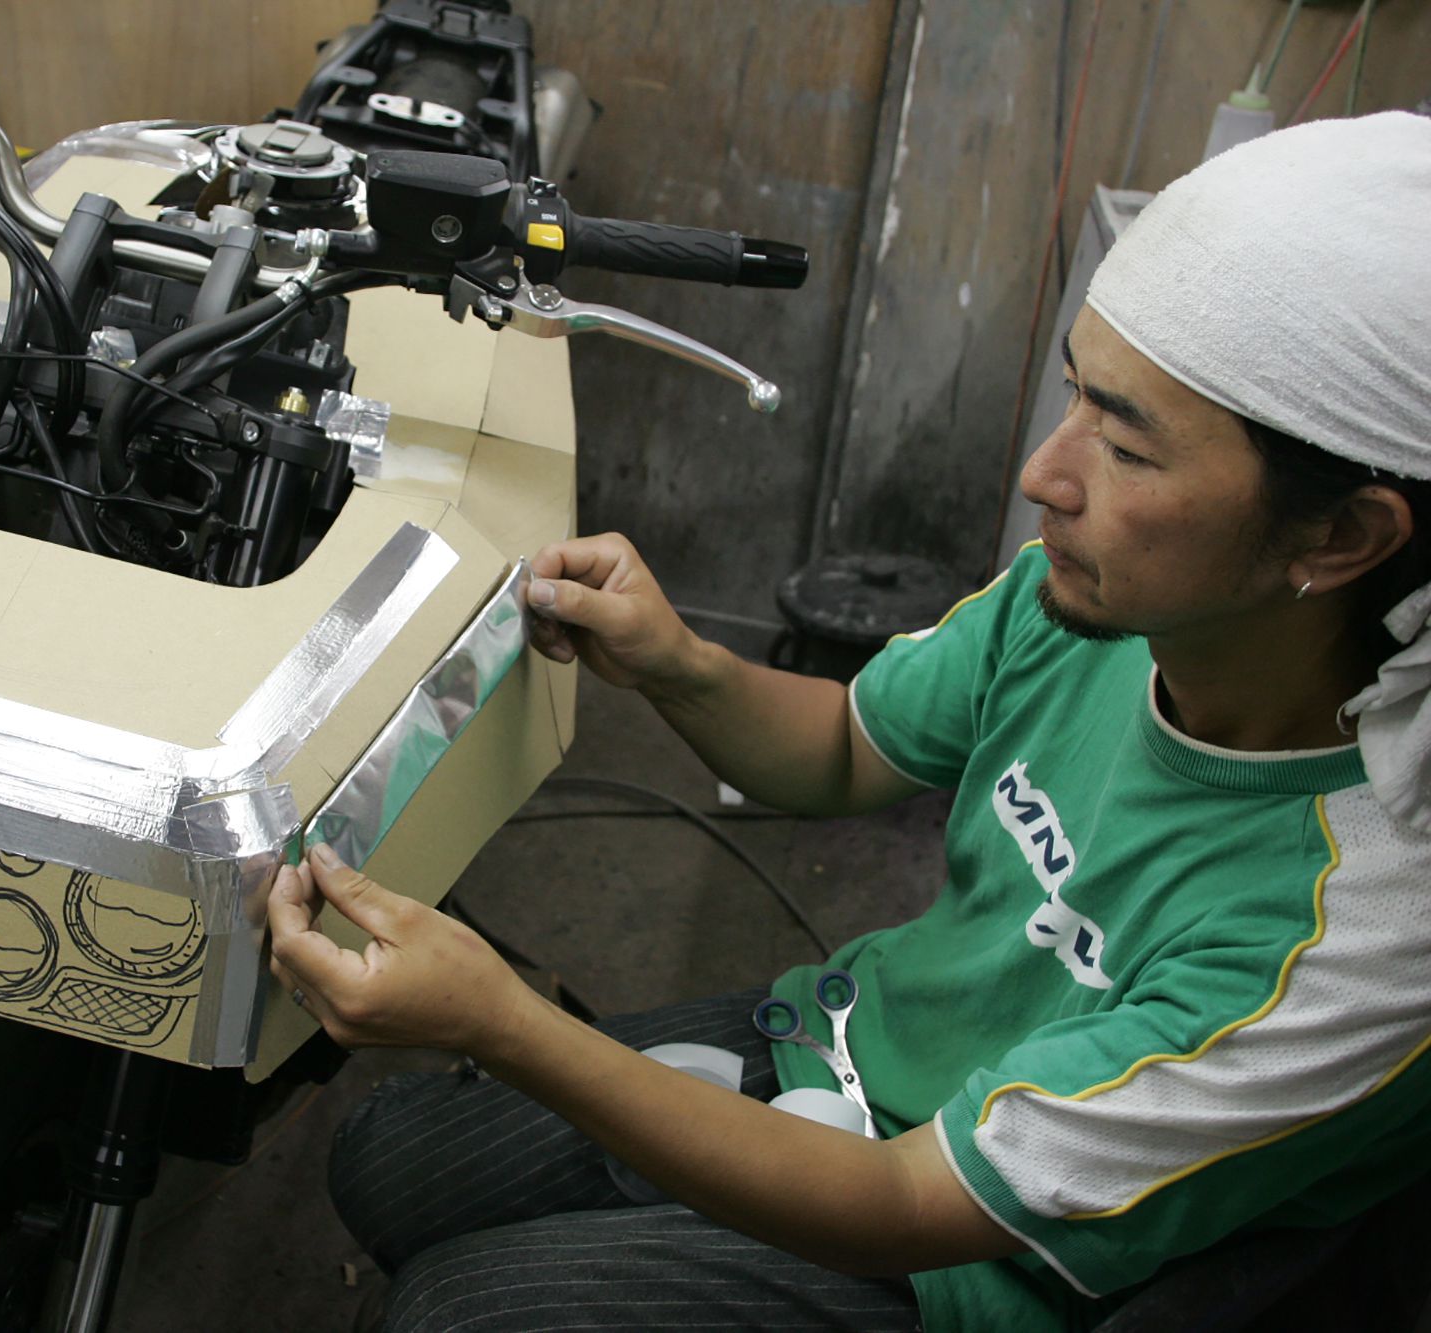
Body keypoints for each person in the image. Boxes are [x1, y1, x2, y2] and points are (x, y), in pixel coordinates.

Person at [266, 111, 1431, 1331]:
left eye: (1127, 451)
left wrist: (503, 1022)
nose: (1045, 474)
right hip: (853, 1048)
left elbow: (903, 1201)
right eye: (1075, 394)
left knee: (455, 1310)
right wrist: (677, 665)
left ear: (1341, 536)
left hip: (969, 1252)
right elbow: (839, 748)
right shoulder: (1090, 603)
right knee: (387, 1161)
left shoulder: (1355, 936)